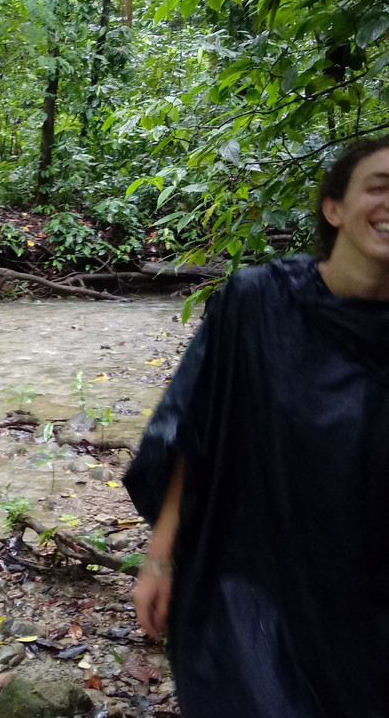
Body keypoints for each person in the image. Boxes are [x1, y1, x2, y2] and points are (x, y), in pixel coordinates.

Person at [124, 137, 389, 718]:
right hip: (249, 581)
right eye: (379, 186)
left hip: (365, 596)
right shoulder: (256, 304)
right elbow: (193, 429)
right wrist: (161, 556)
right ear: (334, 208)